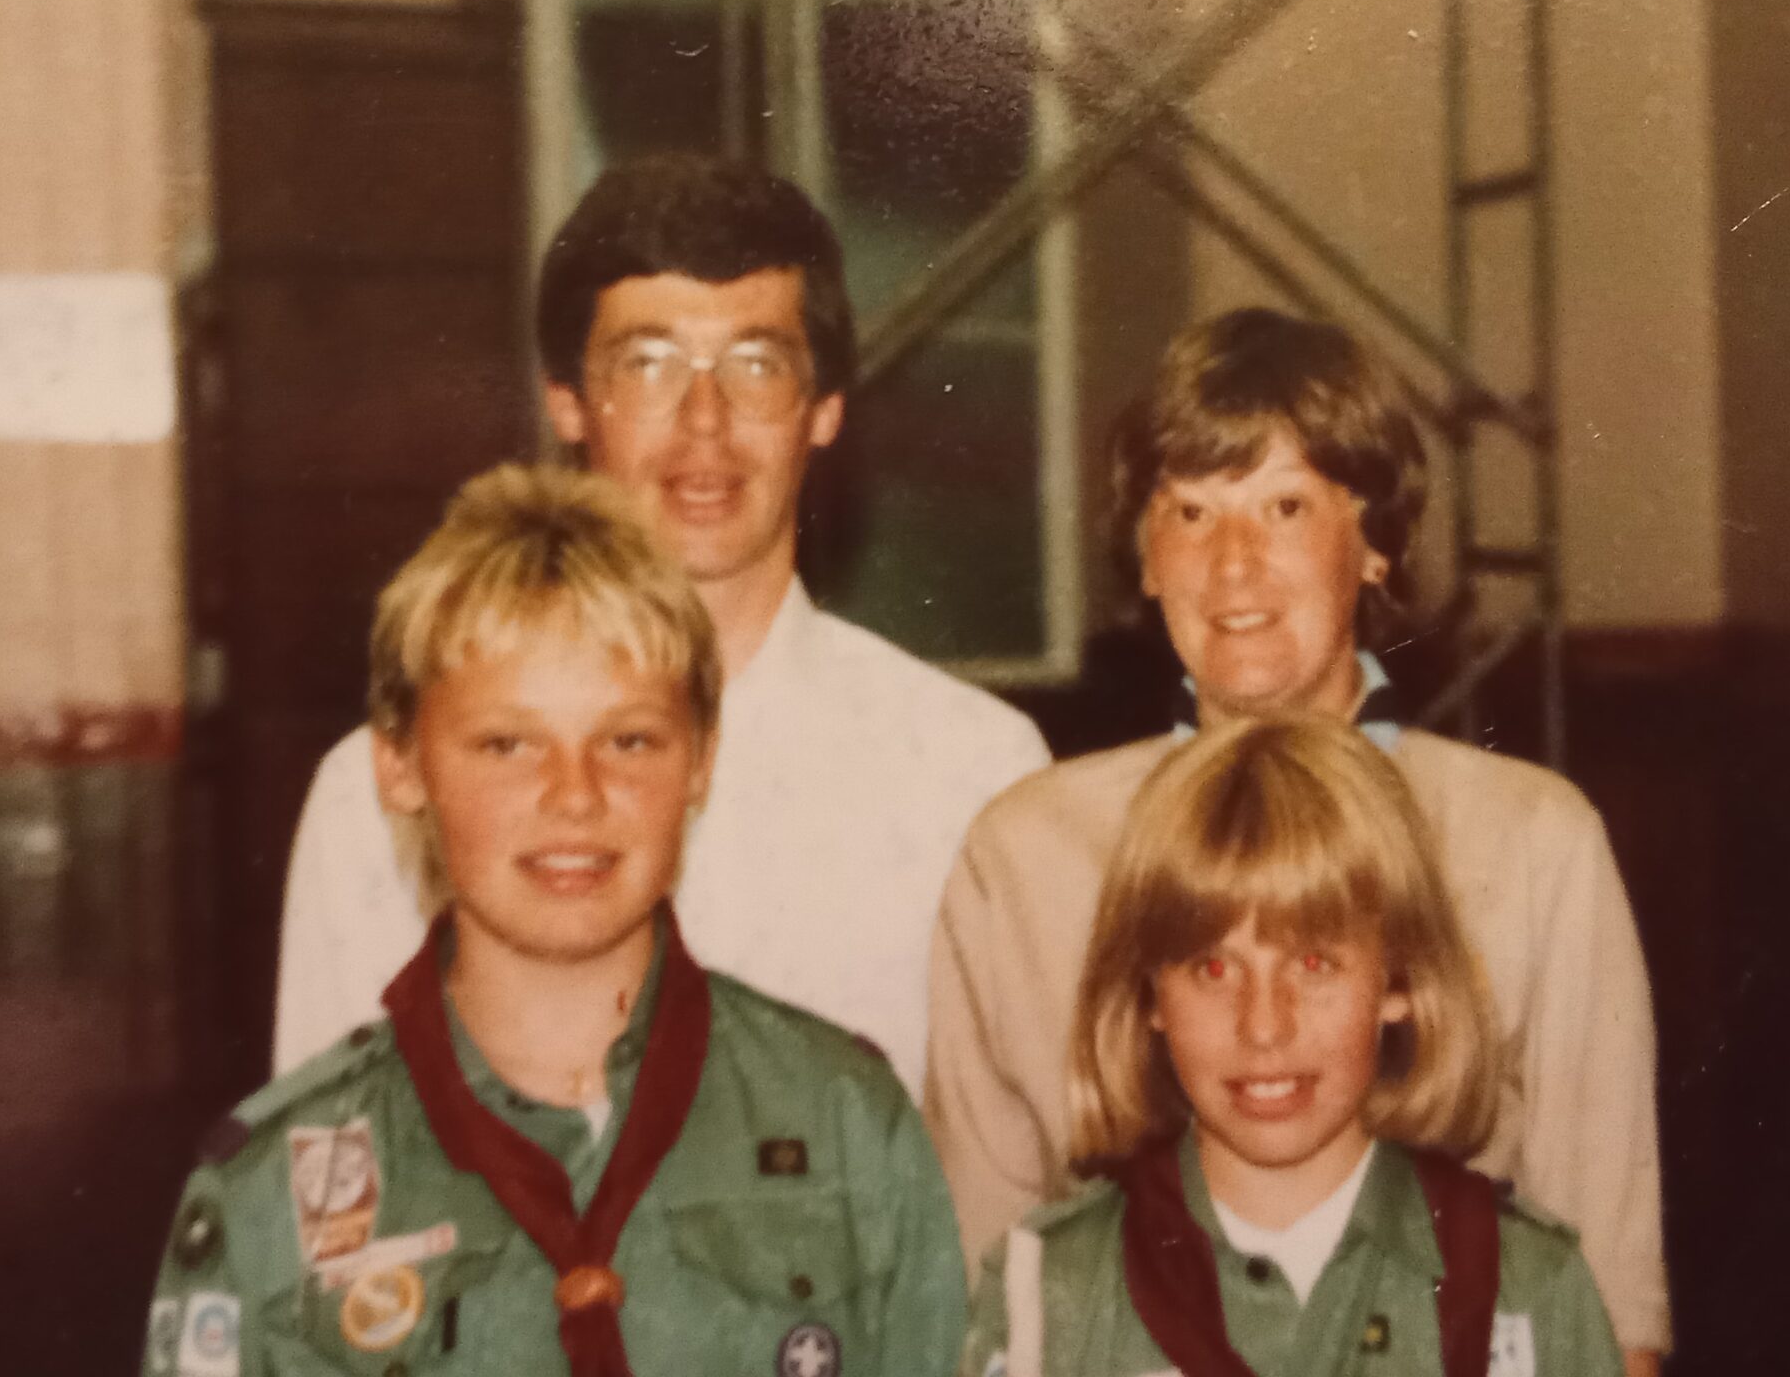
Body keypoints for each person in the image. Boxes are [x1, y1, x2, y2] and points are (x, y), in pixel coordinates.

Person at [925, 309, 1669, 1370]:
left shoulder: (1532, 843)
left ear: (1374, 545)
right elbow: (979, 1288)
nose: (1232, 565)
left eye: (1284, 507)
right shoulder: (1025, 857)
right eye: (1190, 512)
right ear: (1144, 558)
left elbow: (1608, 1307)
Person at [148, 465, 967, 1377]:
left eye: (629, 740)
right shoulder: (267, 1192)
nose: (576, 796)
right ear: (400, 766)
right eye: (507, 744)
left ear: (700, 760)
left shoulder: (845, 1127)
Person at [276, 154, 1050, 1089]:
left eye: (757, 365)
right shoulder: (386, 795)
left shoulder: (971, 776)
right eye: (647, 365)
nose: (704, 423)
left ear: (824, 409)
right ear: (567, 402)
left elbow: (1013, 1158)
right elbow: (325, 1158)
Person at [958, 716, 1622, 1377]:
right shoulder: (1049, 1294)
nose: (1264, 1026)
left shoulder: (1526, 1292)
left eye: (1313, 964)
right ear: (1149, 995)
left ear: (1399, 981)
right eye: (1213, 969)